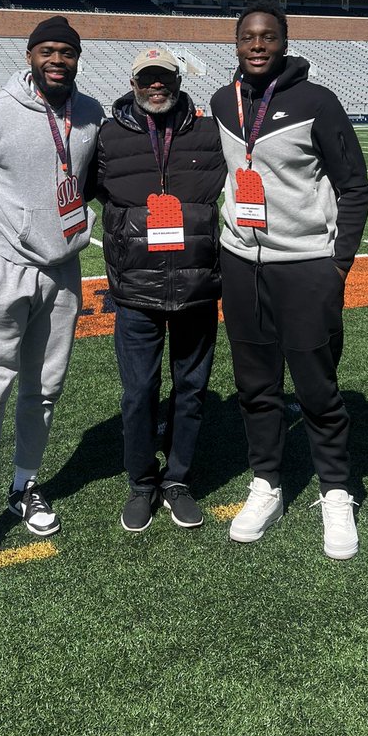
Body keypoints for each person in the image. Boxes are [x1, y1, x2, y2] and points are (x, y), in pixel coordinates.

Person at [0, 16, 104, 578]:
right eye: (48, 51)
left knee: (46, 390)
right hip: (4, 272)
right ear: (30, 55)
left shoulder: (90, 114)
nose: (57, 60)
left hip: (63, 273)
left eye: (67, 52)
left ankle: (24, 485)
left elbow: (86, 181)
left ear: (77, 59)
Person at [209, 1, 368, 560]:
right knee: (255, 387)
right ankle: (267, 483)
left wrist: (338, 263)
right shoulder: (220, 103)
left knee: (318, 389)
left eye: (268, 37)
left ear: (284, 42)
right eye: (248, 37)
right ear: (236, 43)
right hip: (241, 263)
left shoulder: (317, 102)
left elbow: (355, 186)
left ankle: (335, 491)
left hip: (305, 266)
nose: (257, 45)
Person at [94, 48, 226, 532]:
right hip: (136, 290)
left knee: (191, 390)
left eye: (164, 77)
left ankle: (178, 480)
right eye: (147, 78)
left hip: (196, 287)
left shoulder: (207, 131)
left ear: (177, 79)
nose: (156, 86)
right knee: (139, 393)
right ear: (133, 84)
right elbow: (85, 189)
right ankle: (142, 482)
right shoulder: (108, 137)